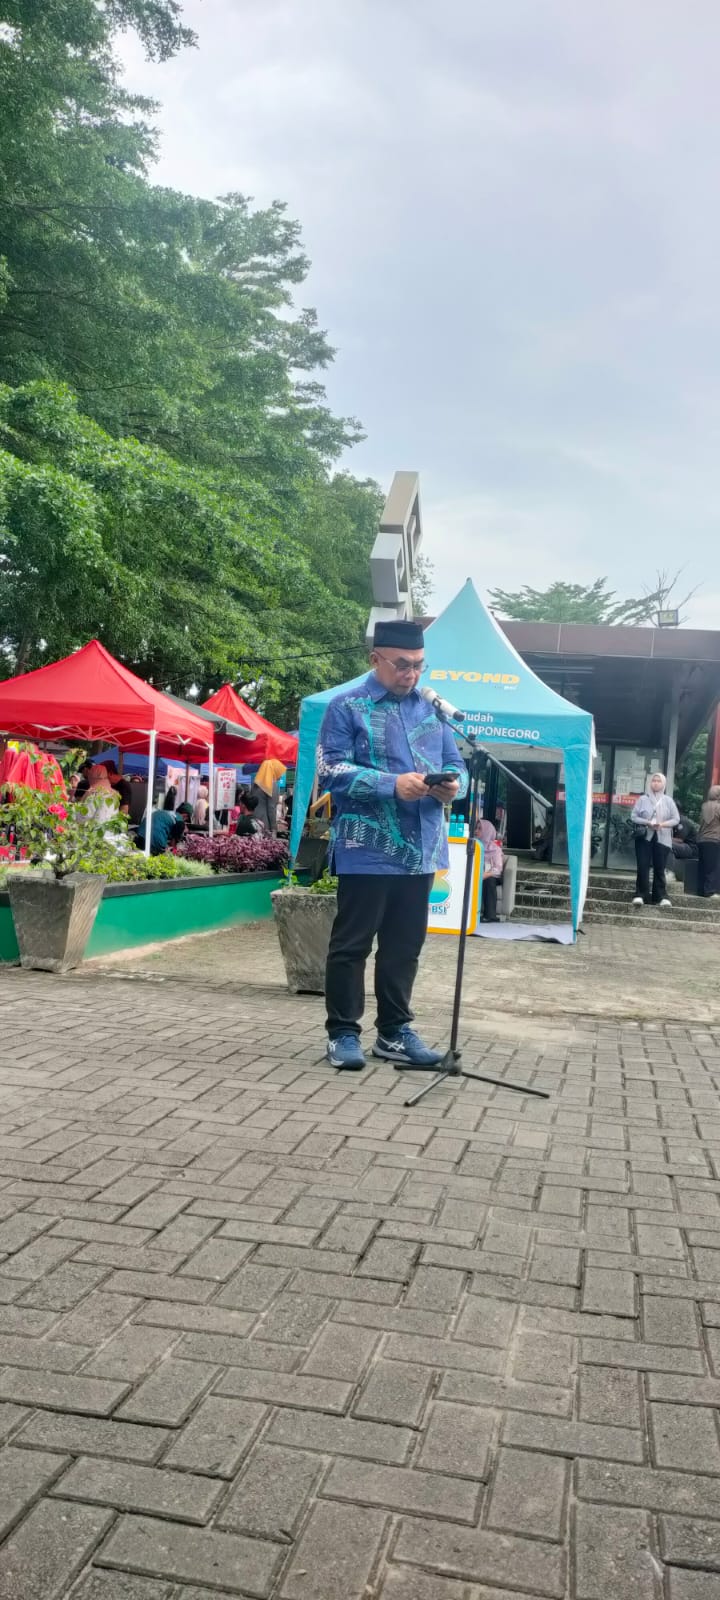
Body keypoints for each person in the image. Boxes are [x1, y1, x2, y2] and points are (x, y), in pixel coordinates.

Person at [318, 618, 467, 1071]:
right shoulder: (346, 706)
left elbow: (456, 763)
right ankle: (343, 1033)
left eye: (419, 665)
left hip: (421, 850)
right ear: (375, 659)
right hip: (367, 847)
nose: (412, 674)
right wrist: (390, 784)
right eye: (403, 664)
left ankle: (394, 1032)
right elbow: (330, 770)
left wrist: (454, 786)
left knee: (404, 947)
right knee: (352, 945)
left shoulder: (432, 711)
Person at [630, 772, 680, 908]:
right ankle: (641, 895)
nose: (656, 783)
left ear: (663, 783)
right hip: (644, 837)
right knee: (643, 866)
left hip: (662, 838)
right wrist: (647, 822)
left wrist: (662, 824)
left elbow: (676, 819)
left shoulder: (668, 800)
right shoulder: (642, 799)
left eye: (659, 781)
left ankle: (661, 896)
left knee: (659, 867)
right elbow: (633, 816)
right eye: (653, 781)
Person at [477, 818, 504, 922]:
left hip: (492, 875)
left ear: (487, 831)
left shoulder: (495, 849)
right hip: (476, 873)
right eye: (476, 828)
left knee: (489, 881)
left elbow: (498, 869)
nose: (476, 831)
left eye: (480, 829)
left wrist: (484, 875)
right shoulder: (474, 845)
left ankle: (490, 915)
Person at [250, 759, 286, 835]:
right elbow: (271, 808)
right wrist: (274, 827)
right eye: (279, 772)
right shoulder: (272, 785)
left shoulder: (255, 783)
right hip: (264, 823)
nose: (280, 776)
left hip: (252, 820)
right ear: (274, 771)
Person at [698, 784, 720, 899]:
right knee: (713, 867)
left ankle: (702, 890)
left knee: (704, 866)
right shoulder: (718, 807)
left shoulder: (704, 806)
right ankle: (710, 891)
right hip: (714, 839)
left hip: (702, 839)